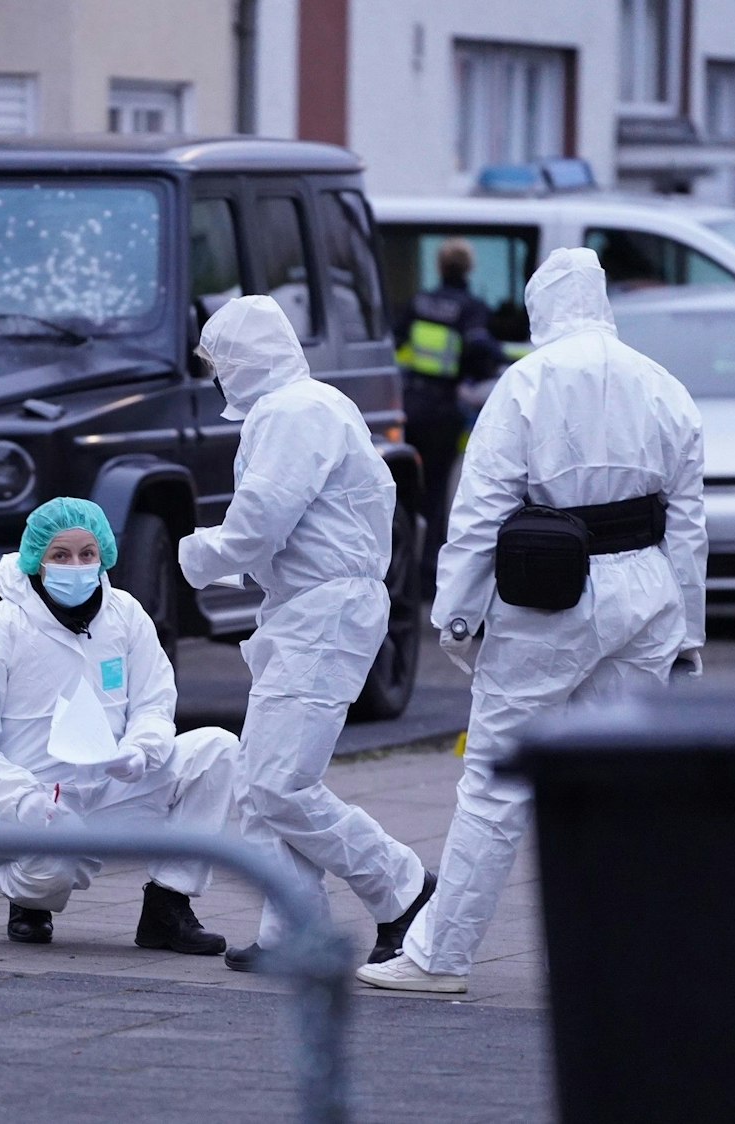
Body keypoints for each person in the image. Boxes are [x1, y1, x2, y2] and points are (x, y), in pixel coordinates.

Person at [358, 246, 707, 994]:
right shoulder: (662, 387)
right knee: (615, 786)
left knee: (493, 784)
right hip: (644, 594)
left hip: (545, 596)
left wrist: (454, 618)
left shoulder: (526, 383)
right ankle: (601, 960)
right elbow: (687, 523)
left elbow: (479, 508)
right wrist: (687, 632)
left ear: (541, 306)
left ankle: (439, 957)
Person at [179, 294, 435, 973]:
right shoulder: (305, 405)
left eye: (216, 361)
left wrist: (197, 555)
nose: (214, 376)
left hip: (322, 612)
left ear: (239, 359)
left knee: (277, 784)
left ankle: (400, 888)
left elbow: (260, 519)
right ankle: (290, 927)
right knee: (264, 781)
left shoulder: (293, 413)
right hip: (309, 608)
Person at [0, 497, 237, 954]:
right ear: (35, 559)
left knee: (217, 748)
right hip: (27, 807)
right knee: (50, 873)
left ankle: (167, 906)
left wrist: (141, 750)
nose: (76, 566)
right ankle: (28, 900)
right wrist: (25, 802)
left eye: (87, 554)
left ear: (104, 555)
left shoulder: (126, 616)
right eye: (60, 555)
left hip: (109, 787)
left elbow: (154, 702)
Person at [394, 238, 504, 596]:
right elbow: (480, 351)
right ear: (469, 269)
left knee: (403, 489)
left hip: (410, 405)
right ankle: (428, 576)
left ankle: (399, 566)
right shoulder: (471, 308)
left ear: (440, 267)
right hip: (444, 412)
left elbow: (396, 344)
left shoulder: (419, 301)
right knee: (436, 490)